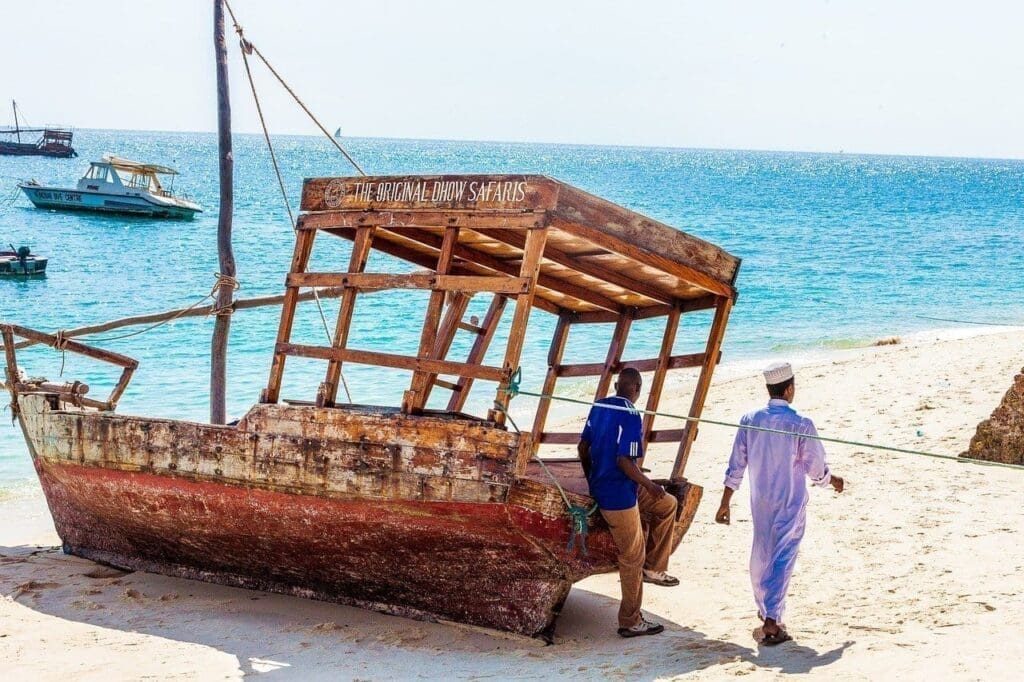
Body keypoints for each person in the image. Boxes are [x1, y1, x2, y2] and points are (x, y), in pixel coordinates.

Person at [715, 361, 844, 646]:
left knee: (762, 555)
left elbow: (736, 463)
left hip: (759, 501)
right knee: (783, 557)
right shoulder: (800, 423)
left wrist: (725, 501)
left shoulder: (750, 419)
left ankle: (767, 611)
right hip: (789, 501)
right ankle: (772, 621)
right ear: (789, 389)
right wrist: (831, 481)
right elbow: (816, 466)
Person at [577, 367, 680, 638]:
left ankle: (655, 568)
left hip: (613, 487)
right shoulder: (633, 414)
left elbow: (582, 448)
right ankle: (630, 621)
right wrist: (650, 485)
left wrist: (592, 480)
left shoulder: (598, 405)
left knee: (667, 504)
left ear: (615, 385)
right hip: (619, 497)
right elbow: (624, 461)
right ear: (637, 389)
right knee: (632, 556)